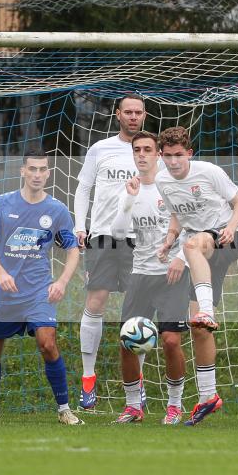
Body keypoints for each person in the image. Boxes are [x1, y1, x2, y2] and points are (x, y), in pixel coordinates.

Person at [0, 148, 83, 425]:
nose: (37, 174)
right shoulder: (1, 204)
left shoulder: (57, 209)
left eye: (42, 169)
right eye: (32, 169)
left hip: (38, 292)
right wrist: (1, 274)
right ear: (22, 171)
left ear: (48, 172)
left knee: (47, 344)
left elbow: (73, 249)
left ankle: (64, 409)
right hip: (5, 293)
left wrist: (62, 282)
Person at [155, 126, 238, 426]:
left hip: (228, 237)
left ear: (189, 154)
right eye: (167, 156)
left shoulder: (209, 171)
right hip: (204, 253)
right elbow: (178, 216)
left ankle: (206, 309)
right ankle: (209, 396)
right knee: (198, 328)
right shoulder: (162, 180)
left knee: (193, 245)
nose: (173, 161)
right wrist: (169, 240)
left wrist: (232, 226)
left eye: (178, 155)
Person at [110, 131, 190, 425]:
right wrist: (129, 200)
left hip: (172, 275)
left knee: (170, 341)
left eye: (147, 150)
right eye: (137, 150)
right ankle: (133, 407)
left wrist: (180, 259)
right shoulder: (129, 189)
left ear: (158, 155)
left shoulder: (173, 187)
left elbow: (191, 227)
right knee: (127, 341)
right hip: (140, 275)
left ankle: (174, 405)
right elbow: (118, 233)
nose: (142, 154)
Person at [73, 93, 146, 410]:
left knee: (137, 311)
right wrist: (80, 225)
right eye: (128, 112)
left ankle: (137, 383)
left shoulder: (150, 151)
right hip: (102, 236)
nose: (133, 116)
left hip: (140, 238)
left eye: (138, 112)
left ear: (144, 115)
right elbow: (83, 188)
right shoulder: (100, 149)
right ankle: (88, 380)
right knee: (96, 301)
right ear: (118, 115)